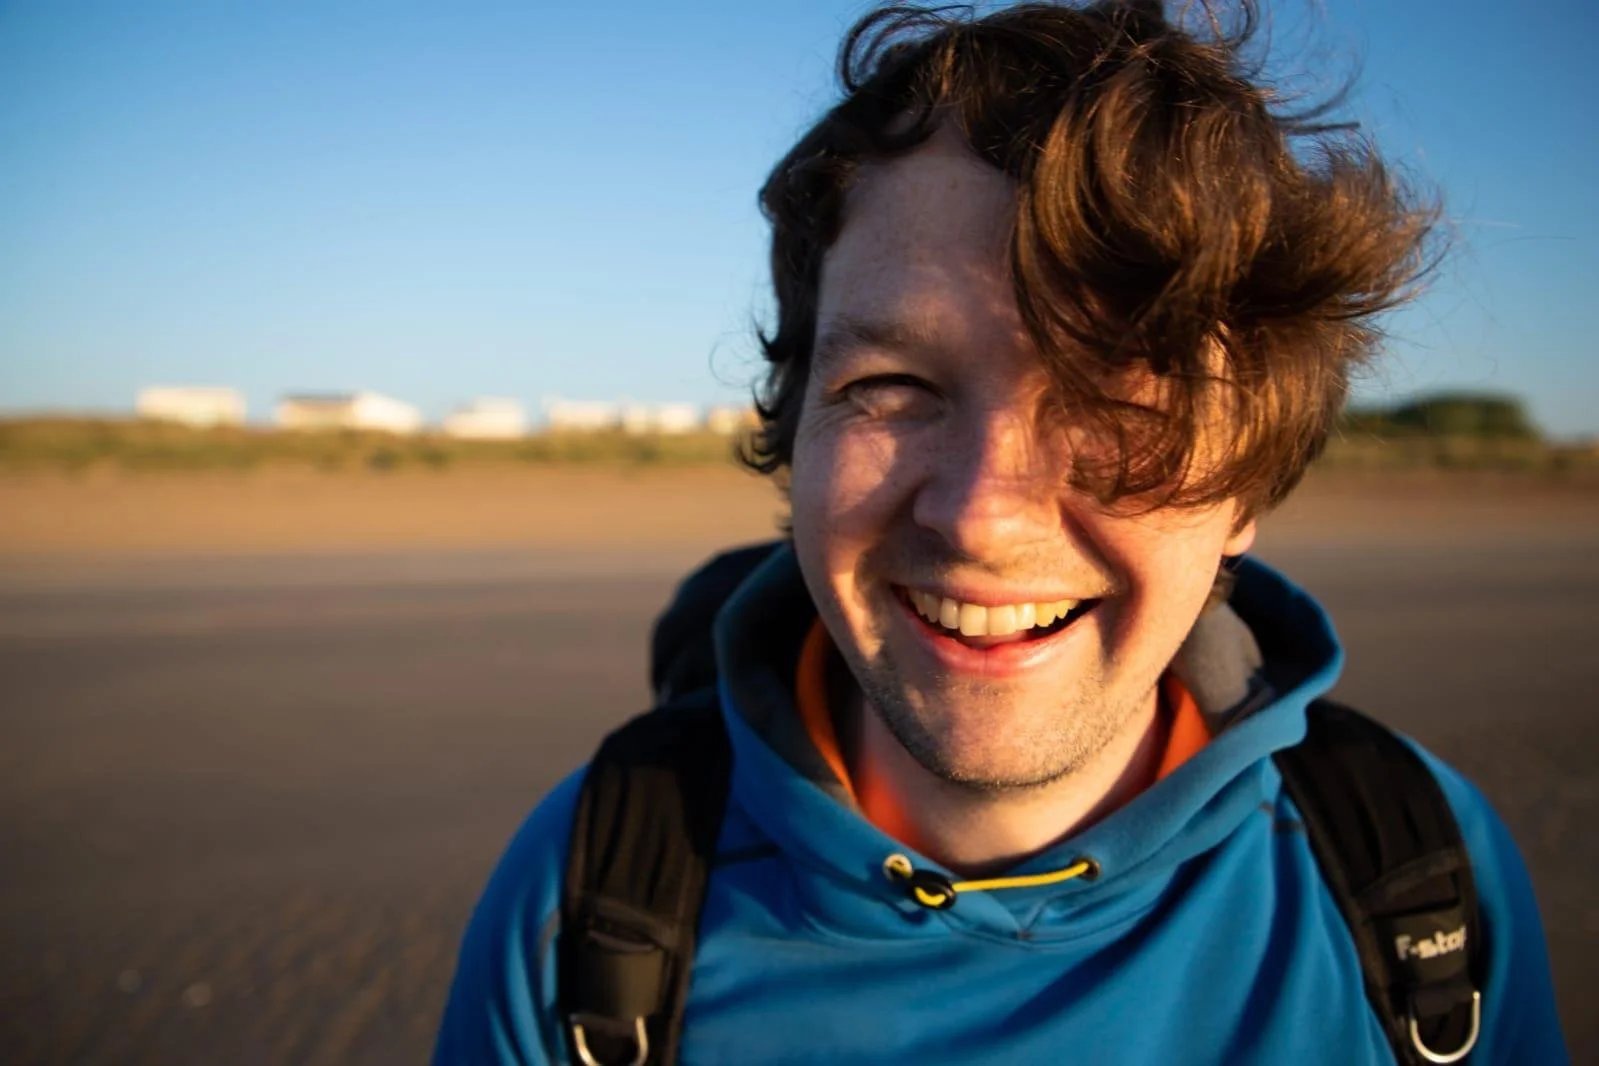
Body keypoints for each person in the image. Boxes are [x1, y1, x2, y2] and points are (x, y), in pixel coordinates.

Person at [433, 2, 1568, 1062]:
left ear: (1248, 488)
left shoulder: (1417, 871)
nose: (982, 511)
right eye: (891, 383)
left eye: (1119, 401)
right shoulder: (590, 897)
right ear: (797, 432)